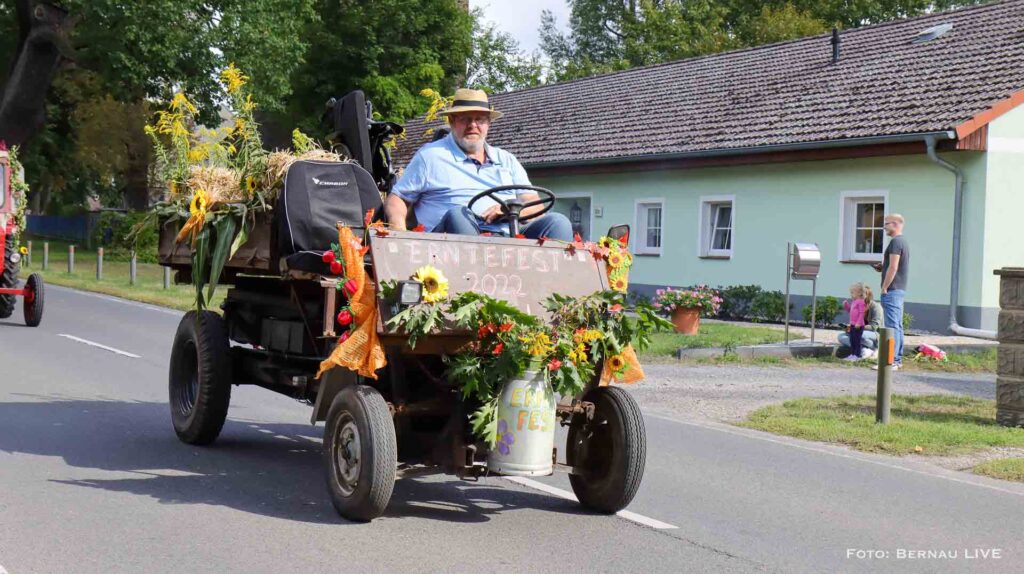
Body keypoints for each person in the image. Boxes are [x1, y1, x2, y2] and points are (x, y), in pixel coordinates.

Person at [384, 88, 573, 241]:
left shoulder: (506, 159)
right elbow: (397, 199)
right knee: (459, 215)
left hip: (510, 238)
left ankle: (554, 287)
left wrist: (509, 209)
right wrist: (400, 233)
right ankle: (471, 284)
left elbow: (535, 205)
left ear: (488, 123)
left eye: (479, 119)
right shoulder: (431, 156)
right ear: (451, 121)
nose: (472, 125)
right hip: (447, 242)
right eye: (465, 118)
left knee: (559, 222)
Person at [873, 213, 910, 369]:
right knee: (898, 326)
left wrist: (885, 287)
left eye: (886, 224)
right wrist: (882, 268)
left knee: (891, 326)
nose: (884, 228)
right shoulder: (903, 242)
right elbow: (893, 266)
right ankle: (897, 359)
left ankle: (891, 361)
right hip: (899, 289)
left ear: (895, 224)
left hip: (892, 290)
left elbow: (894, 267)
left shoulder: (895, 242)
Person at [838, 284, 882, 358]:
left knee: (861, 335)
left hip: (875, 334)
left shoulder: (876, 307)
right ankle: (864, 350)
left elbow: (874, 327)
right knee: (841, 337)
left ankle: (874, 348)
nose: (852, 296)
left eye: (853, 293)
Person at [842, 283, 867, 361]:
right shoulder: (854, 301)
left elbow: (861, 313)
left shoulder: (861, 302)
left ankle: (857, 355)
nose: (851, 294)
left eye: (852, 292)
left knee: (857, 340)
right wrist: (846, 306)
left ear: (859, 293)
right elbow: (850, 311)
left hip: (859, 325)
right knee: (852, 340)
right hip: (853, 324)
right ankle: (852, 354)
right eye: (851, 292)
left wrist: (859, 323)